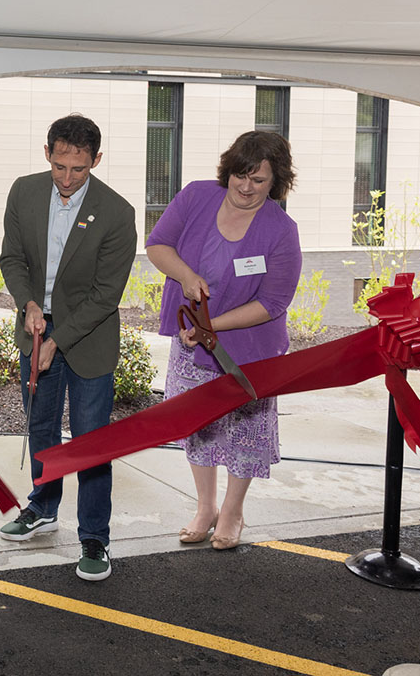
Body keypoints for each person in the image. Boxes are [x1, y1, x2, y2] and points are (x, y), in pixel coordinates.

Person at [145, 130, 301, 550]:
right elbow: (158, 245)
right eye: (240, 175)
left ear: (276, 183)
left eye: (259, 180)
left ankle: (232, 512)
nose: (246, 187)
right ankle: (205, 507)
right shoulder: (196, 196)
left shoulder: (281, 230)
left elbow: (273, 302)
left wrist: (214, 328)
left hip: (250, 350)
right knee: (199, 427)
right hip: (190, 341)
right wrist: (186, 276)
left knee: (245, 432)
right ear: (228, 170)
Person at [0, 114, 136, 582]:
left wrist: (57, 340)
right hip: (36, 326)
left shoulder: (117, 213)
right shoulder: (24, 191)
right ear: (47, 153)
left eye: (78, 169)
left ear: (96, 160)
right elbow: (12, 258)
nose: (67, 178)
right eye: (59, 166)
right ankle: (43, 505)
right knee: (40, 424)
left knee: (91, 440)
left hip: (88, 339)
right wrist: (28, 302)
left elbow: (105, 295)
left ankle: (95, 535)